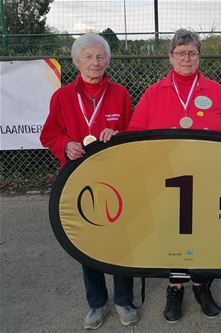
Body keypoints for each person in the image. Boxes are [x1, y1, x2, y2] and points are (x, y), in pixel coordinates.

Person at [127, 28, 221, 322]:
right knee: (171, 235)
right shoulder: (154, 92)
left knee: (205, 234)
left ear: (199, 56)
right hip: (167, 181)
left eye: (192, 52)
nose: (186, 58)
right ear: (170, 57)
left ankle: (201, 286)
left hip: (207, 180)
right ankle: (175, 287)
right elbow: (135, 134)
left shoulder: (215, 90)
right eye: (181, 53)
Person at [40, 33, 139, 330]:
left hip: (116, 180)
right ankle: (96, 303)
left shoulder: (120, 93)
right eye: (88, 57)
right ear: (77, 61)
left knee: (122, 241)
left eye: (100, 57)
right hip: (78, 182)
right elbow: (49, 135)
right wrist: (65, 144)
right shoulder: (62, 97)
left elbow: (134, 134)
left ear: (107, 60)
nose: (95, 63)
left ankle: (123, 300)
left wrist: (119, 135)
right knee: (87, 241)